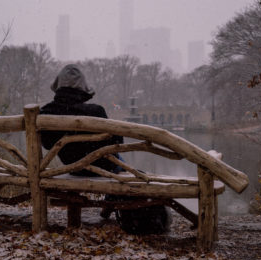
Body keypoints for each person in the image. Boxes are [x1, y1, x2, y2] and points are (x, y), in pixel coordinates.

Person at [40, 64, 171, 234]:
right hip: (102, 169)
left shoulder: (46, 112)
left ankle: (114, 197)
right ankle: (120, 196)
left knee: (117, 163)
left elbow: (47, 144)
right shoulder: (95, 111)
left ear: (58, 85)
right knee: (121, 164)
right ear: (82, 88)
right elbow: (117, 143)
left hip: (71, 167)